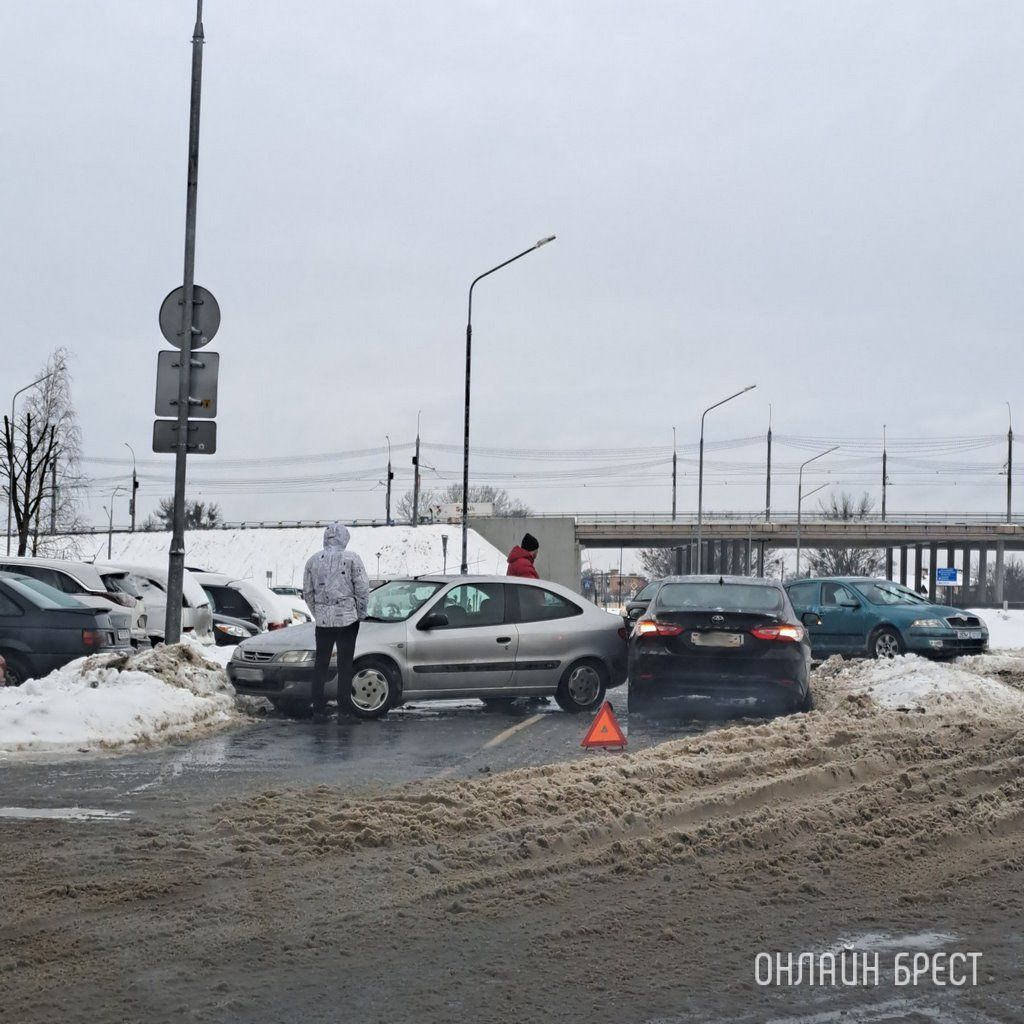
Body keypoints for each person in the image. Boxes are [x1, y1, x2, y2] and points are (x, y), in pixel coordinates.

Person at [302, 523, 370, 722]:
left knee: (321, 664)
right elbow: (362, 588)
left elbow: (307, 592)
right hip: (347, 619)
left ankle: (318, 708)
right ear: (344, 538)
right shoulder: (352, 559)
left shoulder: (313, 561)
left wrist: (318, 612)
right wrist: (360, 612)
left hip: (323, 622)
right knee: (345, 664)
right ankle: (345, 709)